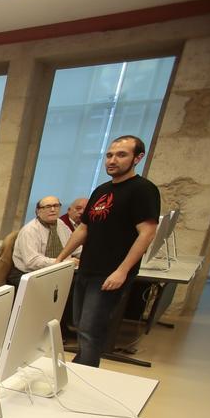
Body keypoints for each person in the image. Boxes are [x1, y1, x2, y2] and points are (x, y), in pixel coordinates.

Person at [56, 135, 160, 366]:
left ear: (137, 158)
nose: (112, 160)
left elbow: (147, 233)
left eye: (121, 155)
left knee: (91, 330)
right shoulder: (101, 190)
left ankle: (84, 378)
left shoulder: (142, 190)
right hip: (87, 268)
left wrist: (122, 271)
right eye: (110, 155)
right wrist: (60, 258)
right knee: (80, 325)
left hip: (109, 273)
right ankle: (80, 370)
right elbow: (84, 228)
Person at [10, 197, 78, 284]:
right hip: (29, 274)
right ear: (38, 211)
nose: (53, 209)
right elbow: (32, 262)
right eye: (48, 206)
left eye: (56, 206)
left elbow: (74, 246)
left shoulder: (60, 224)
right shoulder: (30, 230)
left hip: (56, 270)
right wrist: (62, 262)